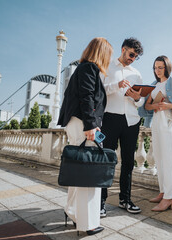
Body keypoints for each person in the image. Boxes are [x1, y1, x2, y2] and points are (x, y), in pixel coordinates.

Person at [57, 37, 113, 235]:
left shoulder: (83, 68)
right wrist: (91, 125)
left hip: (77, 122)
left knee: (80, 171)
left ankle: (73, 212)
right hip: (84, 123)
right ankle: (87, 223)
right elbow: (87, 96)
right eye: (108, 55)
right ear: (102, 53)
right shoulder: (90, 68)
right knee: (90, 175)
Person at [139, 55, 172, 212]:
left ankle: (169, 198)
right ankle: (163, 192)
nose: (157, 70)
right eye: (155, 67)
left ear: (167, 67)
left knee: (169, 160)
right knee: (159, 158)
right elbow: (145, 109)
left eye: (160, 67)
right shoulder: (152, 85)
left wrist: (168, 105)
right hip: (156, 122)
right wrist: (154, 105)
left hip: (169, 123)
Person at [100, 38, 144, 216]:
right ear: (123, 49)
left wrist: (136, 97)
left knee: (128, 163)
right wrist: (116, 85)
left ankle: (125, 199)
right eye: (131, 54)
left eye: (136, 56)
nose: (133, 58)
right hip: (110, 118)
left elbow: (141, 102)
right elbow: (99, 90)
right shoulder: (107, 66)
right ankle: (101, 201)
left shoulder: (137, 74)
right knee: (106, 161)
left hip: (131, 121)